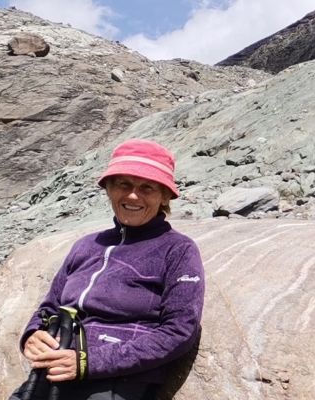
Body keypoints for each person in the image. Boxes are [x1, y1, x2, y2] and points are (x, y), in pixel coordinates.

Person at [15, 139, 205, 399]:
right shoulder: (87, 245)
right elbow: (50, 308)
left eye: (147, 187)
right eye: (123, 184)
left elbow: (180, 330)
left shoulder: (177, 250)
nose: (133, 195)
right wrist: (32, 335)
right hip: (55, 370)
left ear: (165, 196)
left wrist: (90, 362)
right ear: (108, 188)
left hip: (119, 381)